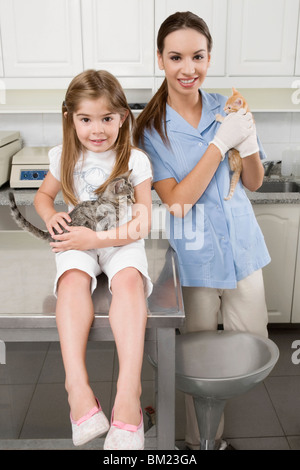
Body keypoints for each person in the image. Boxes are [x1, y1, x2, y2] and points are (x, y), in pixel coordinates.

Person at [133, 11, 270, 450]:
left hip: (243, 251)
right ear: (160, 59)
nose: (188, 68)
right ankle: (202, 443)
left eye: (198, 56)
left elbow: (253, 181)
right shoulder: (150, 130)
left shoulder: (226, 107)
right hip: (195, 260)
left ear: (209, 57)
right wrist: (218, 143)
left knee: (253, 345)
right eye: (176, 57)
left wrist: (245, 141)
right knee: (198, 360)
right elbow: (176, 202)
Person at [34, 69, 153, 450]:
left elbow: (142, 224)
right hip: (79, 241)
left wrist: (97, 238)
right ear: (71, 118)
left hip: (119, 241)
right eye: (86, 119)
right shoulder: (62, 156)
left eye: (107, 118)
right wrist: (51, 215)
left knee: (130, 282)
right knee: (71, 283)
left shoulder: (135, 160)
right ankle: (78, 390)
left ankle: (128, 393)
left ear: (123, 117)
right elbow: (42, 197)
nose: (97, 129)